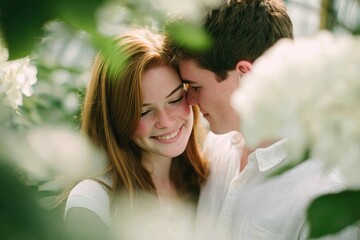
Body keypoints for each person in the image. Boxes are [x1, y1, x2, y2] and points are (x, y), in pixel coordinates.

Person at [165, 0, 359, 239]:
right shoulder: (216, 147)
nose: (190, 100)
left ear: (245, 74)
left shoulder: (324, 192)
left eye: (195, 86)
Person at [63, 29, 208, 240]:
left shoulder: (207, 179)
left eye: (175, 99)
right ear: (116, 118)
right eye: (144, 112)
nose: (166, 121)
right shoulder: (93, 202)